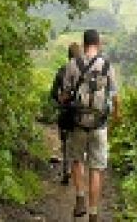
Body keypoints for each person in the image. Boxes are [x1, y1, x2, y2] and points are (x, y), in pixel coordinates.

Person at [59, 29, 119, 222]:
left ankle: (80, 198)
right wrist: (116, 116)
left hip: (78, 124)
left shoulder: (72, 65)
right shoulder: (107, 66)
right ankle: (93, 213)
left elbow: (65, 95)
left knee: (77, 160)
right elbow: (115, 97)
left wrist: (64, 100)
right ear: (98, 43)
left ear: (84, 44)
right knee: (97, 169)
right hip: (99, 126)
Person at [50, 42, 81, 185]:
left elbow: (53, 93)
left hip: (64, 111)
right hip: (79, 114)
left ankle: (66, 171)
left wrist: (60, 101)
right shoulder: (84, 72)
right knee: (77, 143)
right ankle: (76, 174)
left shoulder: (62, 70)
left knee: (65, 142)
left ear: (68, 55)